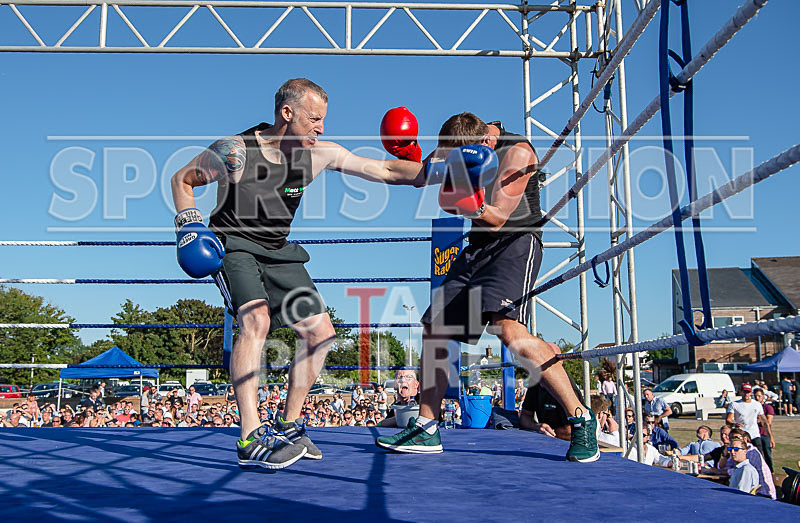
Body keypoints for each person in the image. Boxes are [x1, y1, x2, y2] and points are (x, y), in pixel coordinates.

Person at [170, 78, 423, 470]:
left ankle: (288, 424)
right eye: (315, 118)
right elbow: (182, 179)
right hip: (235, 245)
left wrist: (445, 172)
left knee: (320, 333)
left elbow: (387, 170)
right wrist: (188, 225)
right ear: (287, 114)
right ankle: (250, 436)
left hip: (280, 252)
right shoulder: (234, 151)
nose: (321, 127)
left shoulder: (319, 153)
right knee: (256, 320)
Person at [375, 114, 599, 462]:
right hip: (478, 248)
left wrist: (469, 203)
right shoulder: (458, 146)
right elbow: (420, 174)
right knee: (435, 326)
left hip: (515, 242)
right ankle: (427, 426)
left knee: (509, 331)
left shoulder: (518, 153)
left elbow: (497, 219)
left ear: (485, 145)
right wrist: (400, 155)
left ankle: (581, 418)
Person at [726, 383, 766, 453]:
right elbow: (728, 420)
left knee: (759, 455)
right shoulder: (734, 404)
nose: (746, 394)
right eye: (744, 392)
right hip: (740, 434)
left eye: (748, 392)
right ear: (741, 392)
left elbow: (764, 420)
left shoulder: (757, 404)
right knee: (741, 454)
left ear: (751, 393)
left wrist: (770, 436)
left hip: (754, 435)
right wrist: (734, 424)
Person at [753, 388, 775, 472]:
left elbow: (767, 422)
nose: (757, 398)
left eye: (759, 396)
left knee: (767, 455)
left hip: (764, 434)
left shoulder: (768, 407)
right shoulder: (753, 407)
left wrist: (759, 420)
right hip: (754, 434)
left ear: (763, 396)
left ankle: (770, 471)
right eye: (755, 396)